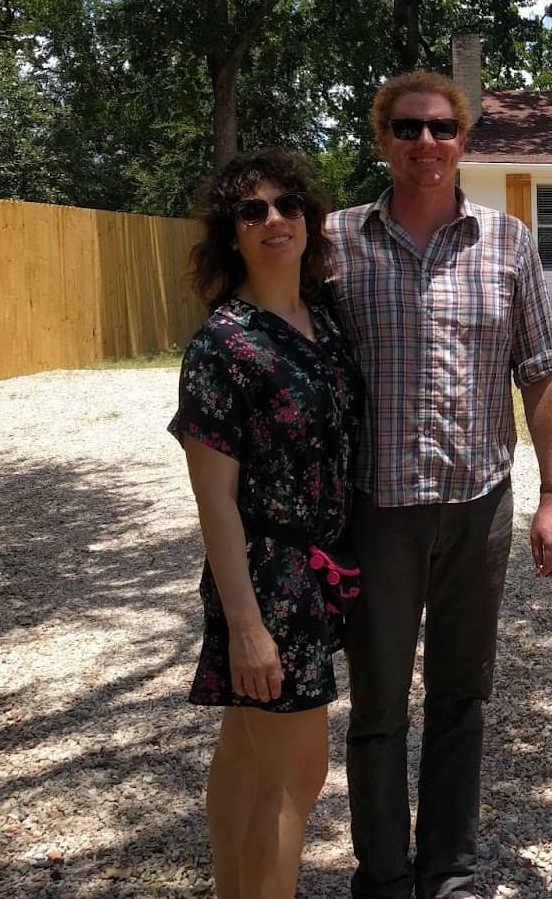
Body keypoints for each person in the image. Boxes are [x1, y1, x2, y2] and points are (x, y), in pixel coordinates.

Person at [326, 70, 552, 899]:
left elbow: (540, 374)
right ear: (382, 138)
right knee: (380, 706)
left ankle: (450, 873)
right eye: (406, 128)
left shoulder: (508, 242)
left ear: (464, 140)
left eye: (440, 128)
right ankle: (384, 876)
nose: (423, 143)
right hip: (377, 510)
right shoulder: (335, 244)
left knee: (462, 697)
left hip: (479, 508)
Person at [170, 148, 364, 899]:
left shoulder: (329, 321)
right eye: (252, 211)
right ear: (233, 235)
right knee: (297, 777)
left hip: (322, 569)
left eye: (288, 205)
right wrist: (248, 628)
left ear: (310, 221)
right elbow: (214, 498)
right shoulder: (224, 344)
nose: (274, 220)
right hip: (268, 581)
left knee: (248, 760)